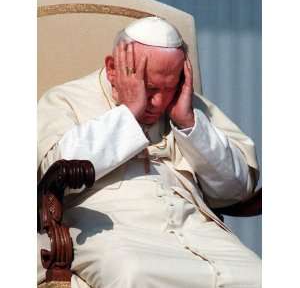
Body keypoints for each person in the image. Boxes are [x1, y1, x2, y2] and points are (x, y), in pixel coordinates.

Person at [38, 17, 261, 288]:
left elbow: (236, 189)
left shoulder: (189, 106)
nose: (157, 102)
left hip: (197, 230)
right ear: (112, 68)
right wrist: (129, 113)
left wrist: (189, 124)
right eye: (150, 88)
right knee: (134, 275)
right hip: (112, 230)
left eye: (169, 89)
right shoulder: (66, 99)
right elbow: (54, 169)